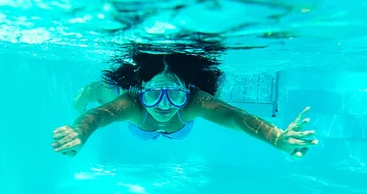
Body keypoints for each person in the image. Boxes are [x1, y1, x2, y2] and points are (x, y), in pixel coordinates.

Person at [52, 50, 317, 157]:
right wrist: (80, 131)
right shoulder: (132, 103)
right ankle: (98, 89)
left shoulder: (196, 102)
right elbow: (100, 115)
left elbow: (235, 117)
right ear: (142, 90)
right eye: (154, 94)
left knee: (182, 127)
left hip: (178, 130)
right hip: (140, 126)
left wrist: (277, 138)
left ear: (187, 92)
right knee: (110, 97)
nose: (164, 105)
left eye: (175, 95)